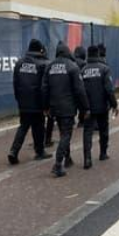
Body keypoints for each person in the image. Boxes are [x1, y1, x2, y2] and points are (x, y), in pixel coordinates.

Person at [42, 42, 90, 177]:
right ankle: (58, 164)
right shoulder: (72, 67)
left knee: (63, 133)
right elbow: (80, 90)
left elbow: (44, 88)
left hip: (54, 107)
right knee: (66, 134)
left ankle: (67, 159)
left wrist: (45, 106)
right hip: (68, 106)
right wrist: (85, 108)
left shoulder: (49, 67)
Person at [8, 39, 52, 164]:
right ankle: (39, 152)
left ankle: (13, 151)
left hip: (23, 101)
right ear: (40, 50)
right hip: (37, 102)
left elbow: (15, 84)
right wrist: (46, 105)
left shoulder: (19, 63)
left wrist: (19, 99)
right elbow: (44, 87)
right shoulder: (43, 64)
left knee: (23, 126)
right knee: (38, 127)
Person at [81, 45, 118, 168]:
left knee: (87, 132)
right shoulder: (104, 69)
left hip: (87, 107)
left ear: (87, 55)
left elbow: (80, 90)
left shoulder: (83, 70)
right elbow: (109, 89)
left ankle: (87, 159)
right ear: (97, 54)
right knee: (103, 130)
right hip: (102, 106)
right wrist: (114, 104)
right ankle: (103, 153)